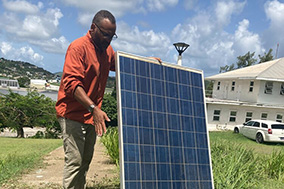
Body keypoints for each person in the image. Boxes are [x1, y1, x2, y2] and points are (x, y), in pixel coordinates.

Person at [55, 10, 117, 188]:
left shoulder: (107, 51)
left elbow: (119, 65)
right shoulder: (78, 47)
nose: (108, 40)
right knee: (74, 162)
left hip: (91, 117)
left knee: (85, 162)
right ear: (92, 28)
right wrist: (93, 108)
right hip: (72, 114)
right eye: (105, 34)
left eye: (112, 36)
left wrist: (144, 62)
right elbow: (72, 84)